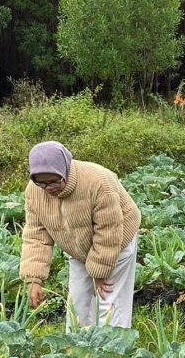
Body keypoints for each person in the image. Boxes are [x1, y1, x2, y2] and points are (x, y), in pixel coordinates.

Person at [19, 140, 141, 329]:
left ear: (65, 169)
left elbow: (109, 230)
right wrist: (34, 279)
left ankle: (112, 353)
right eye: (41, 183)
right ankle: (77, 351)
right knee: (77, 303)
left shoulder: (98, 182)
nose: (48, 188)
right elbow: (36, 236)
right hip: (77, 245)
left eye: (53, 181)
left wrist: (100, 270)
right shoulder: (35, 191)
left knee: (108, 300)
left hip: (116, 239)